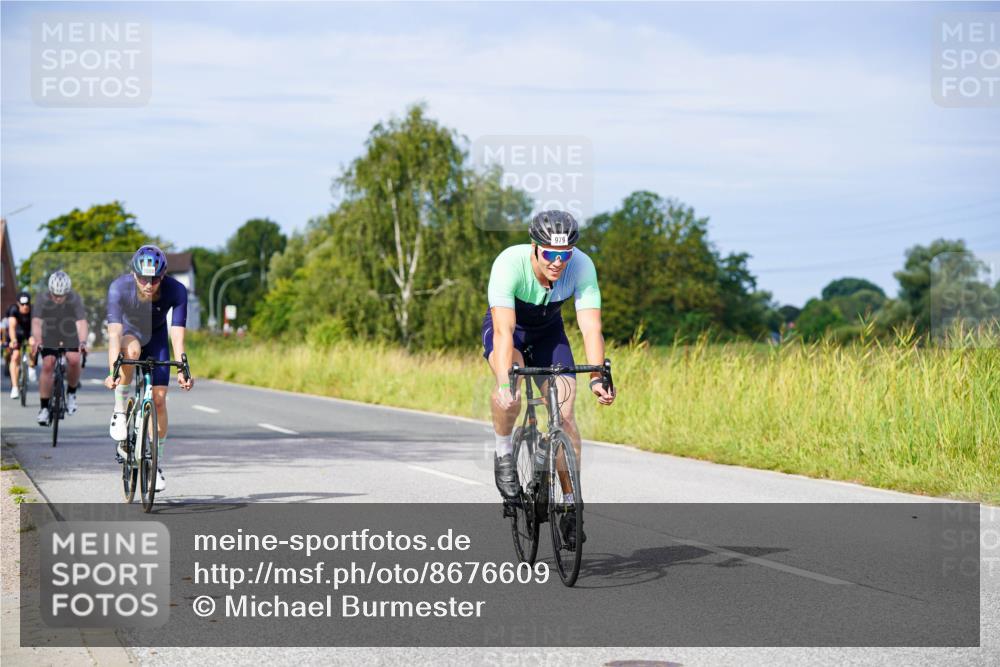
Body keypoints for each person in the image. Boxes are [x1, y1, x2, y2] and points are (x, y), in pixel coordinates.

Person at [482, 210, 615, 548]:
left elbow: (591, 327)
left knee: (565, 417)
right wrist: (504, 383)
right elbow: (503, 331)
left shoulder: (582, 266)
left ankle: (570, 505)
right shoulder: (509, 264)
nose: (558, 262)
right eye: (550, 254)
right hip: (510, 331)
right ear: (534, 247)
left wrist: (597, 376)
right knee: (510, 388)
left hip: (549, 335)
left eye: (565, 255)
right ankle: (503, 453)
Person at [104, 245, 193, 492]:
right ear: (134, 274)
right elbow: (114, 335)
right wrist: (112, 372)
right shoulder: (119, 288)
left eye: (154, 279)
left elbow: (177, 335)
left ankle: (155, 463)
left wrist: (183, 369)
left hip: (157, 338)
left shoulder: (177, 290)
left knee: (160, 400)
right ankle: (120, 411)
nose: (149, 284)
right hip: (129, 334)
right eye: (143, 278)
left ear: (163, 276)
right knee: (131, 353)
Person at [31, 272, 88, 424]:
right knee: (48, 364)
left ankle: (71, 394)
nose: (58, 298)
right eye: (55, 295)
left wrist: (83, 342)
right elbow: (36, 322)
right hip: (49, 332)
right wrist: (38, 340)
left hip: (69, 332)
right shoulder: (42, 299)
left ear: (67, 293)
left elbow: (81, 322)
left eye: (61, 296)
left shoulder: (75, 299)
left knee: (74, 359)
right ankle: (44, 408)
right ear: (50, 291)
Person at [7, 291, 38, 399]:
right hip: (17, 333)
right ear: (18, 304)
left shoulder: (34, 310)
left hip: (29, 332)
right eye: (22, 304)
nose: (25, 307)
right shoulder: (13, 310)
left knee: (33, 344)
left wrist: (34, 338)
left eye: (27, 304)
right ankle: (15, 388)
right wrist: (13, 340)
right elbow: (12, 327)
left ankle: (31, 367)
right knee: (15, 356)